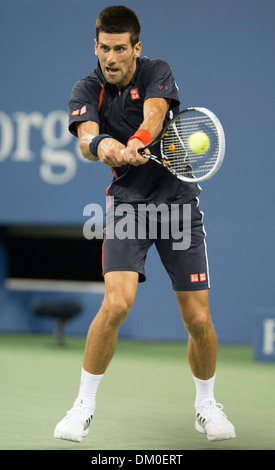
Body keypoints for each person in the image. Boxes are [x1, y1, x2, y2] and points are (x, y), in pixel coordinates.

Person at [54, 5, 235, 443]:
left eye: (120, 49)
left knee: (198, 319)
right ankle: (83, 407)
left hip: (177, 205)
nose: (110, 58)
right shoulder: (87, 87)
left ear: (137, 48)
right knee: (116, 304)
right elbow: (84, 141)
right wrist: (103, 145)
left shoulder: (157, 71)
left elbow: (154, 115)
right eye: (103, 48)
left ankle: (207, 405)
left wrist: (134, 142)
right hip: (128, 208)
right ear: (95, 46)